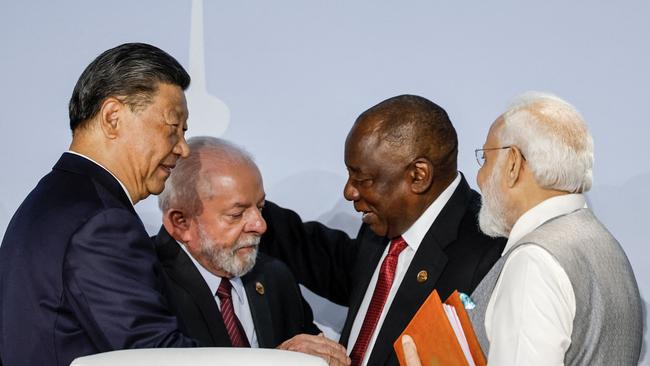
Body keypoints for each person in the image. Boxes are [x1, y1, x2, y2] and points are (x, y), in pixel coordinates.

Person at [260, 95, 506, 366]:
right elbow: (320, 256)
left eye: (362, 179)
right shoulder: (385, 224)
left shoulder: (491, 251)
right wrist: (245, 208)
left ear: (418, 175)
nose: (349, 191)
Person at [403, 92, 643, 365]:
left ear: (513, 164)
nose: (479, 178)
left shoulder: (533, 263)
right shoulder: (608, 248)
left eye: (485, 159)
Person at [0, 43, 198, 366]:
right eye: (173, 128)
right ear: (112, 117)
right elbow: (157, 356)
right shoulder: (102, 223)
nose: (183, 149)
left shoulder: (47, 202)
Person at [154, 136, 350, 365]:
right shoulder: (144, 283)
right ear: (181, 222)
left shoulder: (275, 277)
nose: (260, 225)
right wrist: (275, 361)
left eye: (260, 207)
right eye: (236, 214)